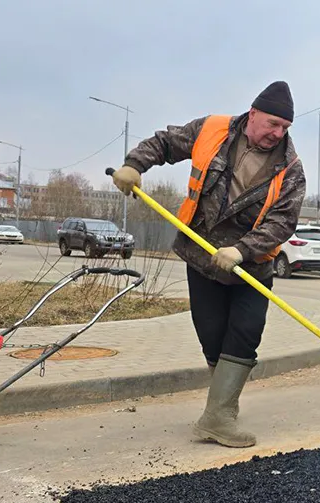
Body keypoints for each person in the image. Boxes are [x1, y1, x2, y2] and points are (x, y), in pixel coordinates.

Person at [111, 81, 306, 448]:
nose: (277, 134)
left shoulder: (290, 168)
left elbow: (283, 221)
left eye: (284, 128)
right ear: (253, 115)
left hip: (251, 268)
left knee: (246, 332)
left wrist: (243, 250)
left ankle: (217, 417)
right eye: (272, 125)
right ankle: (223, 404)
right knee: (212, 336)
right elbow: (166, 142)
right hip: (202, 258)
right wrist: (134, 165)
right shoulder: (212, 130)